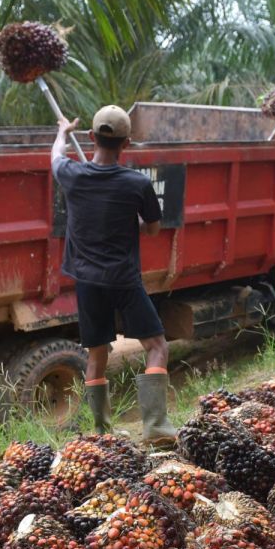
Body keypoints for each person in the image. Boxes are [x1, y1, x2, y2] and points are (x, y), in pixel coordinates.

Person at [51, 105, 177, 444]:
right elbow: (152, 230)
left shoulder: (72, 175)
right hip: (124, 279)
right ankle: (155, 426)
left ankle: (103, 433)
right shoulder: (137, 184)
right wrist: (129, 221)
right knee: (156, 347)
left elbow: (55, 157)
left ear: (91, 137)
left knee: (97, 354)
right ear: (127, 143)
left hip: (88, 282)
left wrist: (63, 131)